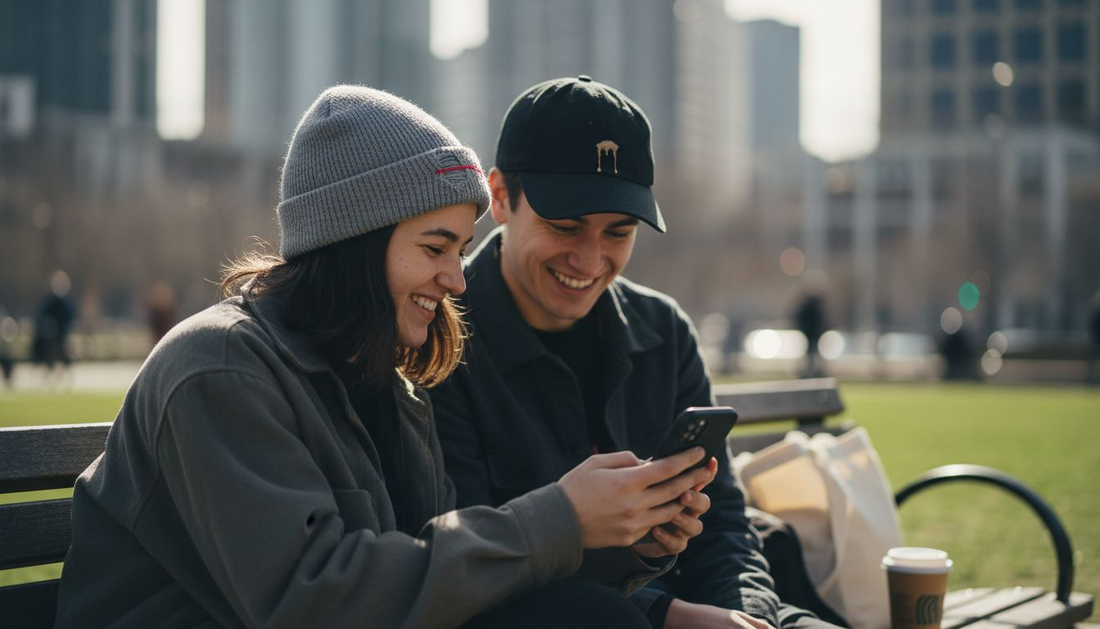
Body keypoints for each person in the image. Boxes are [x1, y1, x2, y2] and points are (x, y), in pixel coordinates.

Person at [55, 85, 719, 629]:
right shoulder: (220, 366)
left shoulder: (389, 382)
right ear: (353, 239)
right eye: (435, 249)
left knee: (592, 615)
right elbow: (313, 602)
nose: (457, 279)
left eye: (460, 251)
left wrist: (617, 539)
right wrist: (561, 517)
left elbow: (437, 578)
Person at [431, 76, 844, 629]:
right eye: (565, 227)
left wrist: (744, 616)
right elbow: (472, 562)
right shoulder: (438, 342)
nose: (589, 259)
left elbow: (723, 522)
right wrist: (667, 614)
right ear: (501, 196)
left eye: (618, 233)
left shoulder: (663, 330)